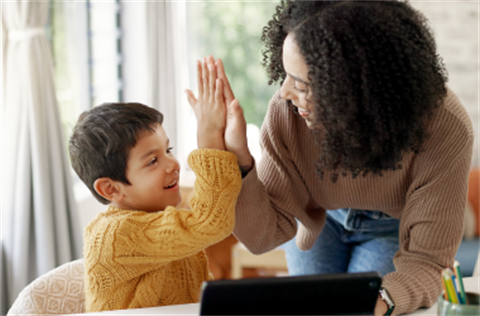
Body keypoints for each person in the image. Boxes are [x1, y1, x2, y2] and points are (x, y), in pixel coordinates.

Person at [216, 0, 474, 315]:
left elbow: (426, 261)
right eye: (286, 76)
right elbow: (261, 236)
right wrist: (240, 160)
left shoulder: (445, 126)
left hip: (392, 227)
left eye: (302, 83)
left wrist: (380, 303)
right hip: (320, 221)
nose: (284, 92)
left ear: (356, 89)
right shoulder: (288, 113)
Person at [68, 57, 242, 312]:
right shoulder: (115, 235)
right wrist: (208, 138)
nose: (172, 164)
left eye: (168, 149)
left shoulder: (158, 217)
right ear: (112, 189)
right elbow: (210, 222)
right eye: (152, 161)